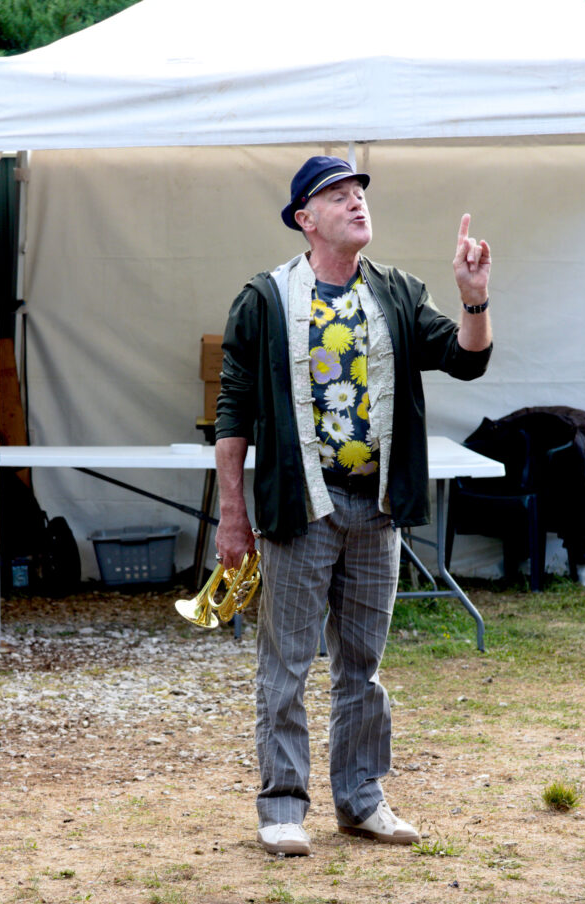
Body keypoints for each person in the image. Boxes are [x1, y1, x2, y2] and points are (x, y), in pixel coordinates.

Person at [215, 155, 492, 856]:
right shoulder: (266, 298)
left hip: (377, 507)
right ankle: (282, 807)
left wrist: (473, 299)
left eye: (359, 192)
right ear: (305, 219)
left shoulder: (396, 292)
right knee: (286, 664)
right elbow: (232, 414)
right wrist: (232, 515)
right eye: (336, 195)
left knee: (362, 666)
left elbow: (467, 359)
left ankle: (360, 801)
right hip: (300, 507)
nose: (355, 202)